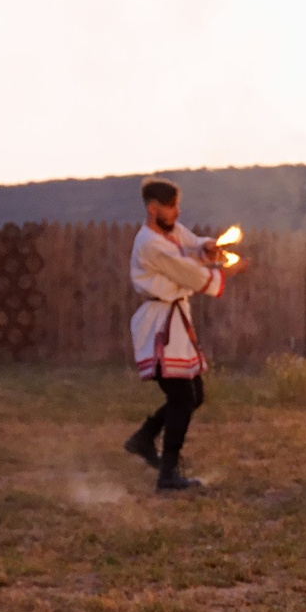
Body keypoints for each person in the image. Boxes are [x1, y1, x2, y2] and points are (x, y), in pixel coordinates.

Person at [125, 178, 231, 492]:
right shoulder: (149, 243)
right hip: (159, 326)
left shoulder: (170, 232)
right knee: (183, 397)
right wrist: (222, 272)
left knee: (192, 394)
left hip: (174, 322)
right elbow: (187, 271)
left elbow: (192, 245)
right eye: (171, 207)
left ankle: (144, 438)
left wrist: (207, 247)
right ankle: (167, 473)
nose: (177, 212)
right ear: (153, 208)